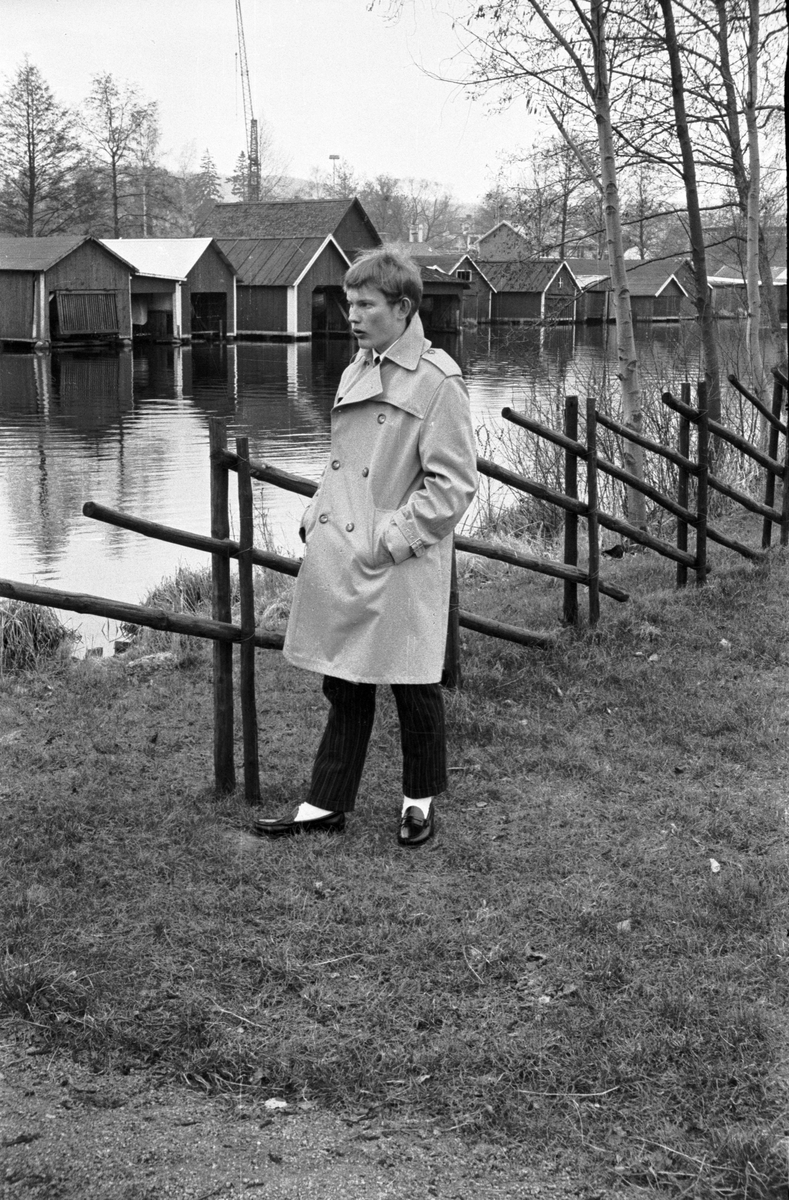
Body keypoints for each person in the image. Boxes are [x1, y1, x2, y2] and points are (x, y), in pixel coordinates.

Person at [254, 246, 478, 847]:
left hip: (397, 557)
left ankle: (418, 802)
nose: (351, 315)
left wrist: (392, 539)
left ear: (402, 308)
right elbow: (342, 462)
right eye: (349, 303)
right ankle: (324, 803)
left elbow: (453, 485)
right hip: (343, 548)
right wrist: (315, 513)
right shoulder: (357, 367)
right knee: (345, 679)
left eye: (365, 304)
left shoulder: (438, 381)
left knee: (413, 684)